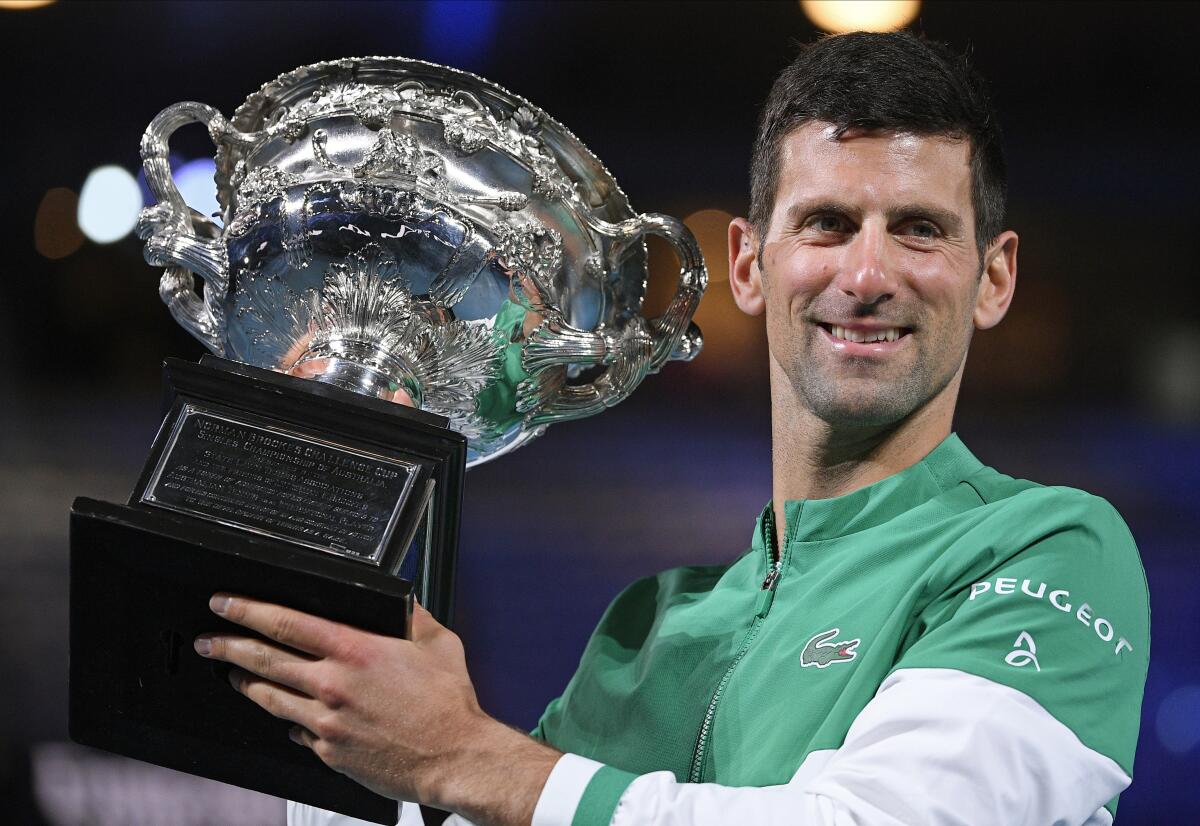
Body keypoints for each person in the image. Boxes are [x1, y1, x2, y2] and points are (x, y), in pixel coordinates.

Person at [193, 31, 1150, 826]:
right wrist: (339, 653)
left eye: (919, 229)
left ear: (995, 278)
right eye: (824, 223)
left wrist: (459, 754)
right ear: (748, 264)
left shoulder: (1047, 551)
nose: (866, 276)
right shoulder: (649, 633)